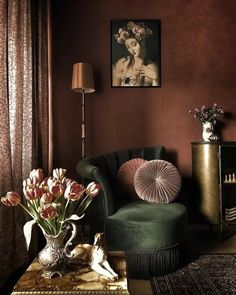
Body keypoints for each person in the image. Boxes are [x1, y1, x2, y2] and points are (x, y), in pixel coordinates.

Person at [112, 21, 160, 87]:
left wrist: (155, 78)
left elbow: (156, 93)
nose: (131, 50)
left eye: (134, 44)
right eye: (128, 47)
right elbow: (114, 90)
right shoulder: (122, 63)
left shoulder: (151, 67)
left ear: (142, 43)